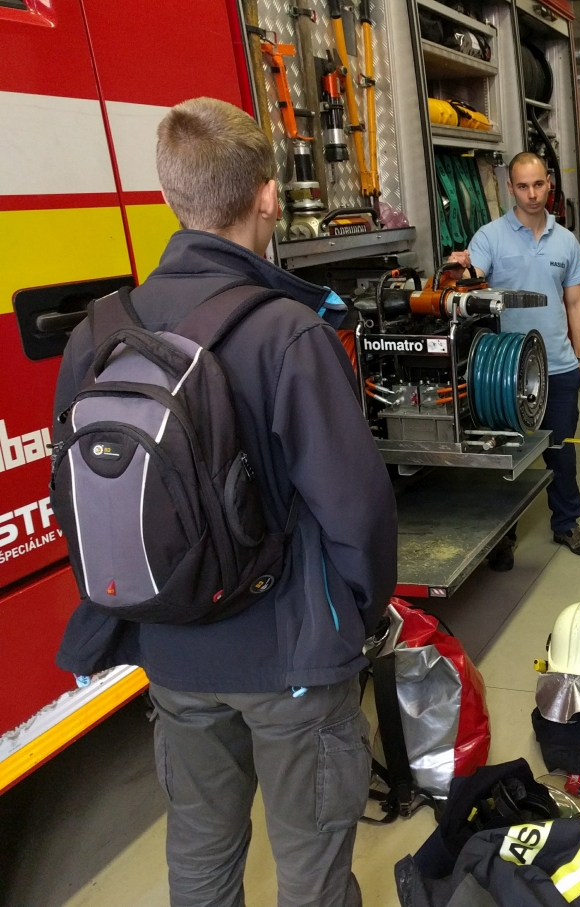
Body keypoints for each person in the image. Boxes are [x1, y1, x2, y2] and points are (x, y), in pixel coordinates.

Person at [53, 98, 398, 907]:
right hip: (289, 659)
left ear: (169, 197)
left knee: (201, 853)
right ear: (268, 195)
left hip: (171, 651)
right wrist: (355, 616)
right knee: (311, 867)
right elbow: (357, 511)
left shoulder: (96, 334)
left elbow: (74, 499)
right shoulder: (287, 333)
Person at [450, 152, 580, 560]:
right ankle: (503, 535)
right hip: (503, 371)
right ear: (510, 188)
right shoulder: (489, 237)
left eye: (538, 184)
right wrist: (460, 269)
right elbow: (471, 284)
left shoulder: (565, 240)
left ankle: (566, 523)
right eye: (523, 186)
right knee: (505, 455)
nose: (532, 194)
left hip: (558, 367)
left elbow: (576, 301)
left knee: (561, 451)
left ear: (549, 183)